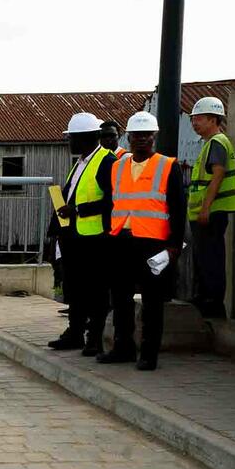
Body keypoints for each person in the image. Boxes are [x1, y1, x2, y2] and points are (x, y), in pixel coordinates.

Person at [95, 111, 186, 370]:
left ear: (154, 136)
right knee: (120, 297)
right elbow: (110, 203)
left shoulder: (168, 166)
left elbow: (178, 208)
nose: (142, 139)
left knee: (152, 301)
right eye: (137, 135)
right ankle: (123, 347)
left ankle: (149, 353)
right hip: (121, 240)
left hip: (153, 243)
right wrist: (108, 234)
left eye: (146, 135)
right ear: (129, 137)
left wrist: (174, 245)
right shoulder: (117, 167)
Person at [48, 111, 116, 355]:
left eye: (71, 138)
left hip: (94, 238)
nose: (69, 142)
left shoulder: (106, 162)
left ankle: (95, 337)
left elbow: (112, 200)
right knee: (75, 287)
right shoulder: (81, 162)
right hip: (74, 237)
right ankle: (75, 332)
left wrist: (77, 209)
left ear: (85, 137)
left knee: (96, 289)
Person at [187, 96, 235, 318]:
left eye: (199, 118)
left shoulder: (217, 143)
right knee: (205, 258)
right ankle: (205, 299)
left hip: (211, 213)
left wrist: (205, 208)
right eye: (193, 119)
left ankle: (212, 303)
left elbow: (217, 175)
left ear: (213, 119)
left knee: (210, 259)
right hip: (209, 212)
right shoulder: (212, 143)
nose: (194, 123)